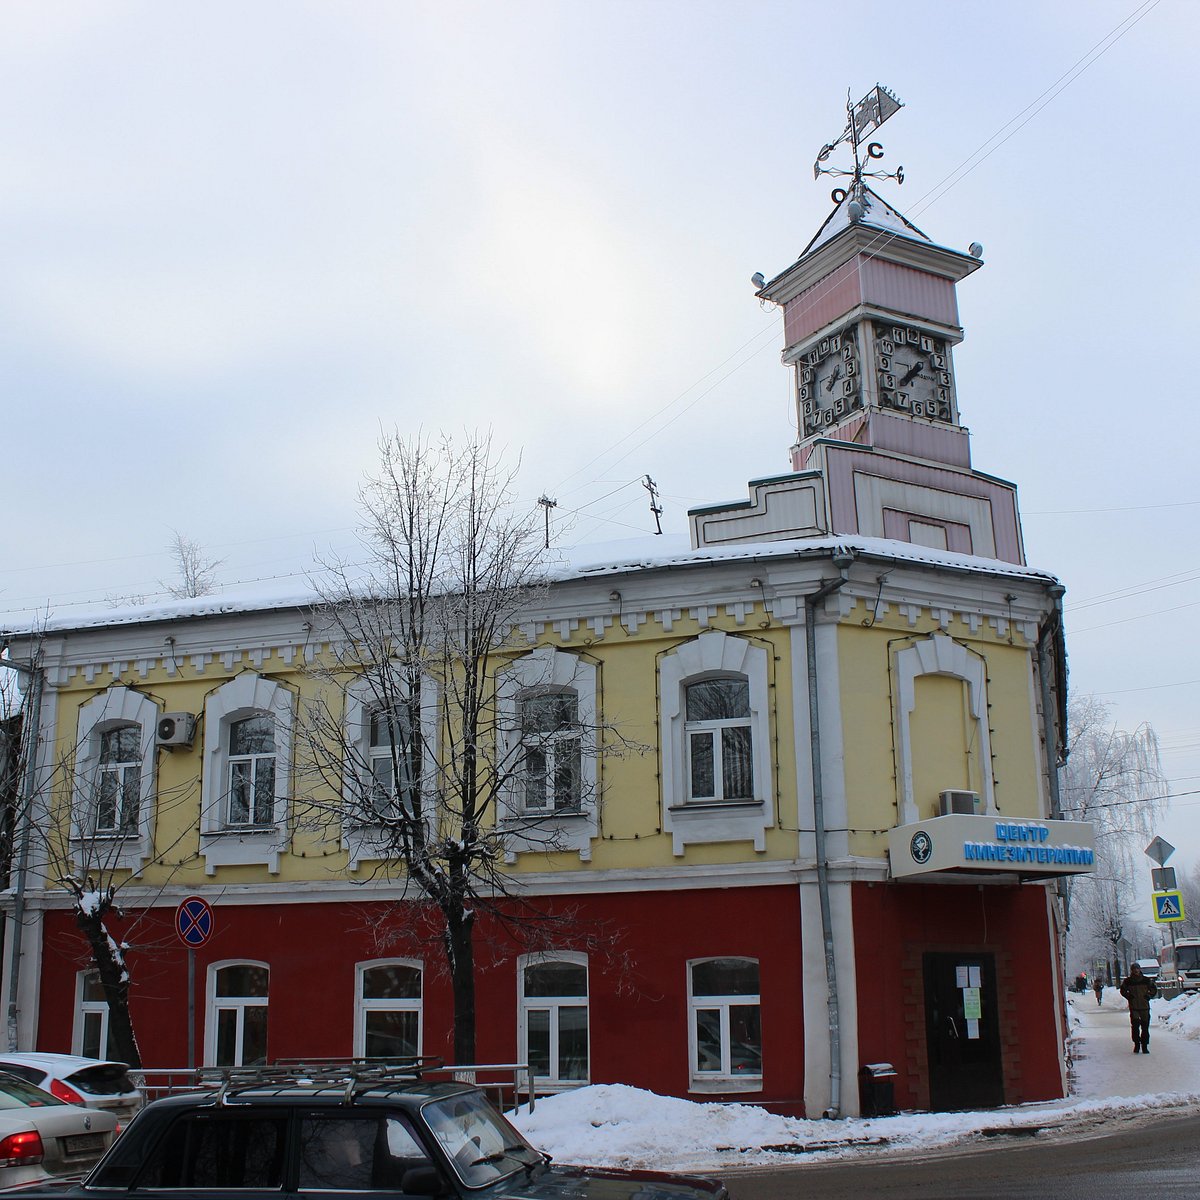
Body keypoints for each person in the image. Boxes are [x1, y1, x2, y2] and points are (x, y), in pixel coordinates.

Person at [1120, 961, 1158, 1053]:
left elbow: (1154, 989)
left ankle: (1144, 1046)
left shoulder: (1146, 980)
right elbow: (1123, 990)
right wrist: (1129, 997)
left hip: (1144, 1007)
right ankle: (1136, 1044)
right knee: (1135, 1026)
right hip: (1134, 1007)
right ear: (1132, 971)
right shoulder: (1128, 981)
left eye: (1137, 969)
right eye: (1134, 969)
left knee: (1145, 1027)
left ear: (1140, 969)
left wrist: (1148, 996)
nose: (1136, 971)